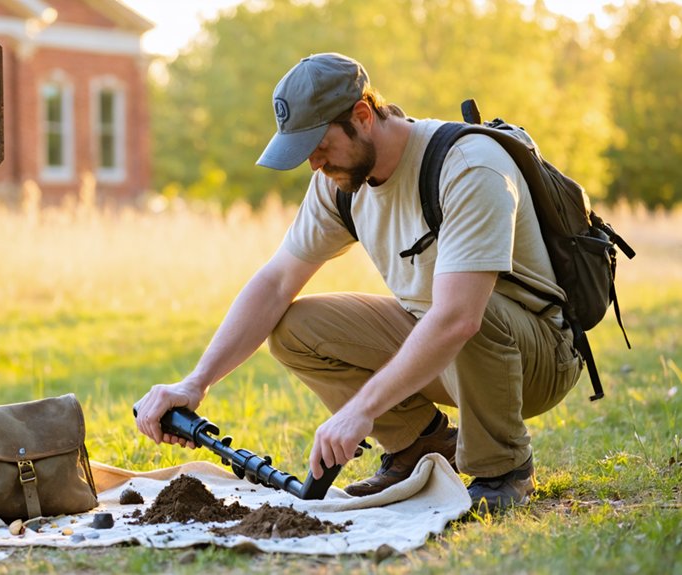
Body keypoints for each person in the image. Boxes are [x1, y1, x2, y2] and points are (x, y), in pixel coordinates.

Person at [134, 53, 582, 512]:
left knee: (465, 308)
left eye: (319, 145)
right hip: (445, 340)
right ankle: (418, 447)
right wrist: (196, 382)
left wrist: (360, 409)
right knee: (294, 328)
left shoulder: (468, 166)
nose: (313, 164)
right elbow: (274, 283)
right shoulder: (340, 182)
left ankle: (502, 468)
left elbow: (457, 319)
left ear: (363, 116)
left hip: (534, 358)